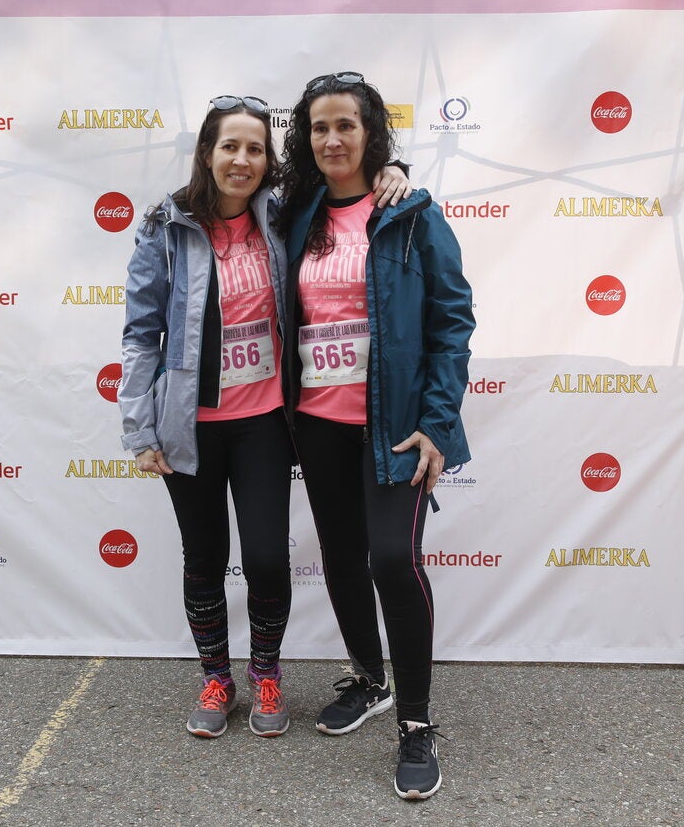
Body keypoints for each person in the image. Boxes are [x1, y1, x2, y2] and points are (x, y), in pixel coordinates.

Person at [119, 94, 409, 739]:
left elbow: (350, 186)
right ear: (206, 153)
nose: (242, 160)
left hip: (266, 421)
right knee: (203, 557)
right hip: (188, 425)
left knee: (268, 562)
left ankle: (267, 673)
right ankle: (216, 677)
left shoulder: (284, 217)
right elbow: (141, 333)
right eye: (230, 146)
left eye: (255, 148)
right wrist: (139, 429)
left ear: (269, 160)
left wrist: (398, 170)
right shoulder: (166, 228)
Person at [277, 72, 474, 798]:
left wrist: (437, 425)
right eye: (320, 127)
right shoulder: (295, 214)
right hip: (319, 423)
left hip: (396, 428)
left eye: (347, 127)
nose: (333, 139)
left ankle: (416, 722)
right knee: (339, 556)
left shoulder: (413, 214)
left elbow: (453, 323)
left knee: (393, 558)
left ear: (371, 136)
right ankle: (370, 678)